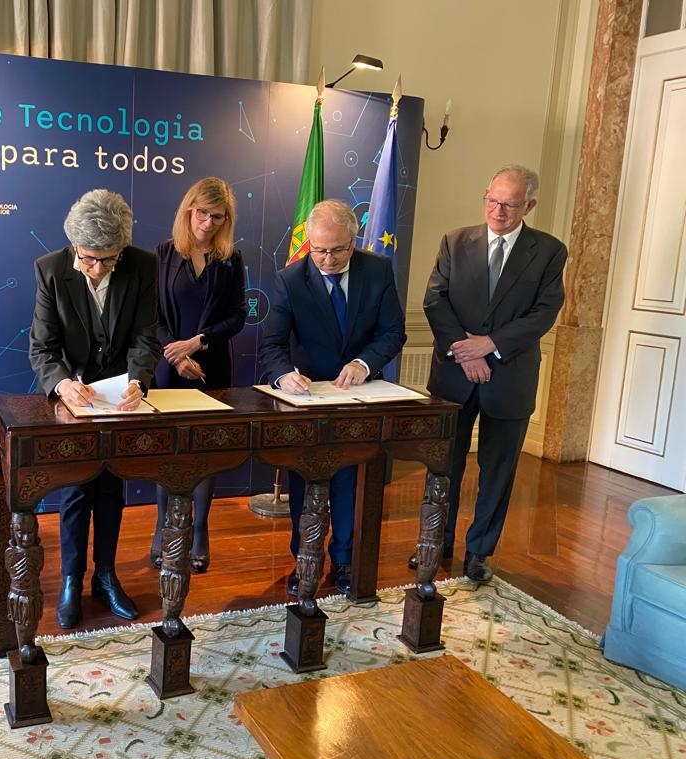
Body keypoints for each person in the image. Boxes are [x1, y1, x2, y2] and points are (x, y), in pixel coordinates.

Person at [415, 165, 566, 583]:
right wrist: (467, 353)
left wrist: (490, 344)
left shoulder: (549, 251)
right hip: (454, 375)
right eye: (492, 200)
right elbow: (434, 300)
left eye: (510, 204)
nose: (498, 210)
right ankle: (435, 539)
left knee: (497, 471)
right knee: (444, 465)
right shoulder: (455, 240)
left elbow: (544, 313)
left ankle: (479, 551)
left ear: (529, 206)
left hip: (510, 379)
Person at [29, 188, 161, 629]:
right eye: (88, 259)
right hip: (76, 400)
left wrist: (139, 381)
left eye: (107, 259)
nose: (97, 268)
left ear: (122, 249)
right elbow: (43, 347)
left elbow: (146, 336)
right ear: (74, 248)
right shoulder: (50, 270)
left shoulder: (142, 265)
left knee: (112, 491)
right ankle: (72, 579)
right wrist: (63, 384)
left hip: (122, 399)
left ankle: (106, 575)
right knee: (76, 491)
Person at [260, 199, 406, 596]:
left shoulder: (377, 271)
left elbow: (393, 332)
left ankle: (344, 562)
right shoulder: (291, 279)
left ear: (353, 241)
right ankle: (304, 559)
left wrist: (364, 361)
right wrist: (283, 376)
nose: (326, 258)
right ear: (309, 242)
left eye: (337, 250)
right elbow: (271, 344)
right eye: (319, 249)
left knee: (349, 483)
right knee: (306, 483)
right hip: (309, 399)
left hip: (359, 395)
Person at [149, 177, 246, 574]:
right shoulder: (163, 254)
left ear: (226, 220)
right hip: (169, 367)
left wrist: (198, 343)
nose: (207, 222)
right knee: (169, 453)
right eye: (202, 213)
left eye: (217, 216)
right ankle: (163, 528)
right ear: (189, 210)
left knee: (205, 452)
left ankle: (200, 530)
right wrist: (176, 353)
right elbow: (151, 316)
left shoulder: (231, 260)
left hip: (212, 367)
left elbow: (239, 315)